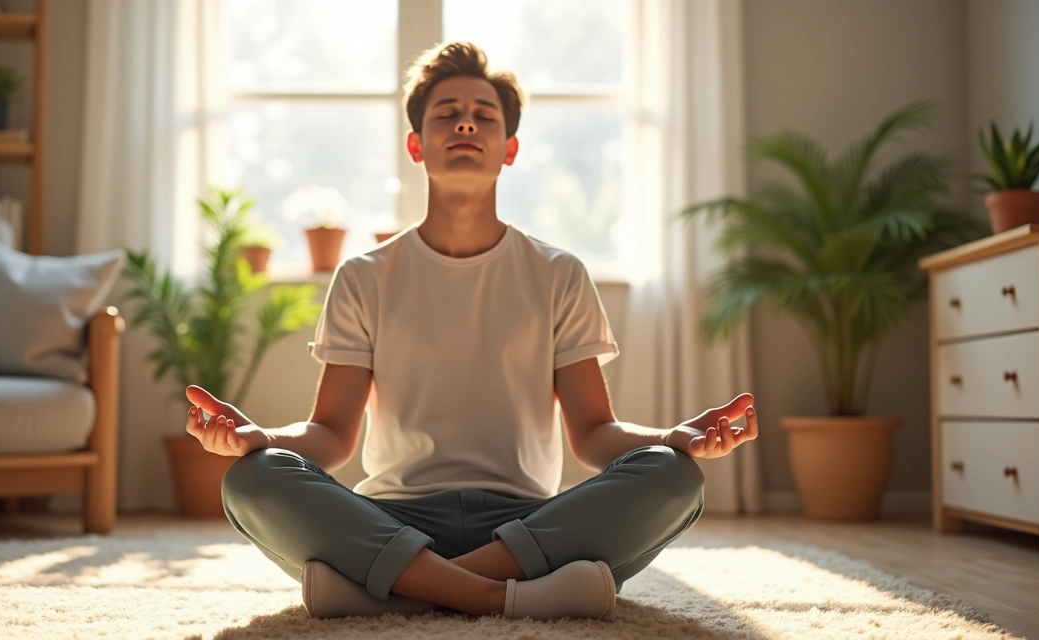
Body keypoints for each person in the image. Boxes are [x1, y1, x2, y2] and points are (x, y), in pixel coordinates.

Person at [183, 40, 758, 621]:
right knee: (253, 478)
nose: (465, 122)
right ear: (416, 144)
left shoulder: (558, 273)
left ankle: (396, 593)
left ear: (509, 149)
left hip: (528, 526)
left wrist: (670, 438)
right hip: (393, 520)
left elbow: (593, 434)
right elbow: (331, 436)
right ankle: (504, 595)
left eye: (484, 115)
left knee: (672, 475)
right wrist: (262, 439)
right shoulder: (363, 276)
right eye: (445, 113)